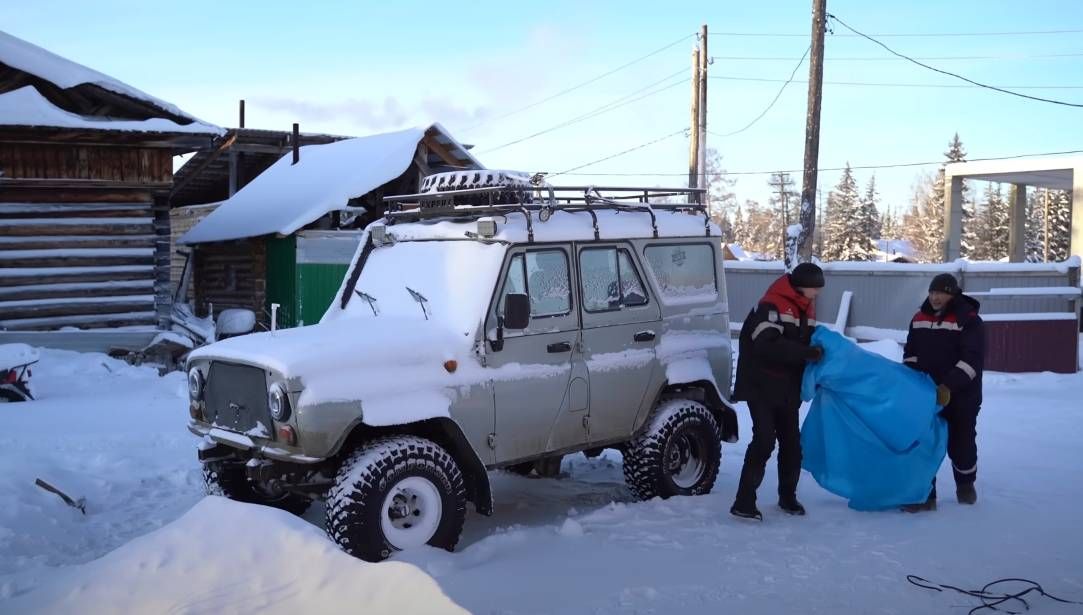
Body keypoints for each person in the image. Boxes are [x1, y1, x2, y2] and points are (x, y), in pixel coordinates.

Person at [731, 263, 825, 521]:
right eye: (814, 288)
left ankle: (788, 497)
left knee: (792, 444)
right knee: (763, 441)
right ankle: (744, 502)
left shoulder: (806, 307)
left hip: (786, 388)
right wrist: (806, 354)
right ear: (801, 286)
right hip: (760, 385)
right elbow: (766, 346)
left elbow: (810, 339)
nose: (817, 293)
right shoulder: (770, 306)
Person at [901, 273, 985, 512]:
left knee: (961, 444)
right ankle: (925, 496)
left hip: (961, 395)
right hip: (928, 395)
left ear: (953, 294)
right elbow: (911, 352)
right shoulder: (919, 318)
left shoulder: (969, 320)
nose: (936, 297)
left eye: (941, 293)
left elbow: (972, 361)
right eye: (932, 292)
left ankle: (965, 485)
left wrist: (948, 386)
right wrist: (912, 380)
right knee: (924, 443)